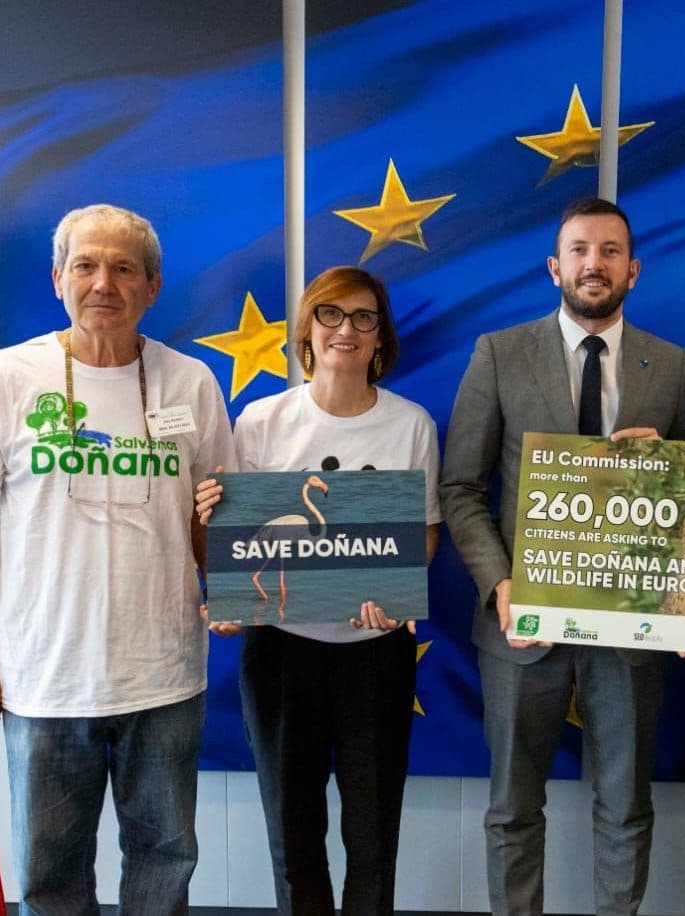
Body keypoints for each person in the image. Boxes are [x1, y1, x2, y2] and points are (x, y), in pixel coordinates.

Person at [0, 203, 236, 914]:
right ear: (58, 277)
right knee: (50, 877)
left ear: (152, 287)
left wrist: (233, 590)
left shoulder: (191, 383)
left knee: (165, 865)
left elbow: (213, 514)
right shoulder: (3, 379)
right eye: (87, 265)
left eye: (124, 268)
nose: (104, 282)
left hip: (165, 679)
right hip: (43, 679)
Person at [439, 197, 685, 916]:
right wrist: (499, 584)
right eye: (580, 250)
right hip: (523, 625)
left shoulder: (672, 366)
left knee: (624, 805)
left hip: (630, 629)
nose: (595, 264)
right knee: (513, 808)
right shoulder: (499, 352)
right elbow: (460, 487)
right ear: (555, 266)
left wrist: (671, 466)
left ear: (633, 270)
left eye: (611, 251)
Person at [194, 267, 440, 915]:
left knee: (372, 833)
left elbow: (426, 534)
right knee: (293, 836)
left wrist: (397, 592)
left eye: (364, 317)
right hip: (279, 655)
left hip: (375, 653)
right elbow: (239, 529)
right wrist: (222, 557)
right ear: (307, 329)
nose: (346, 330)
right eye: (331, 315)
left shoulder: (410, 425)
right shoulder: (260, 420)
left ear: (381, 335)